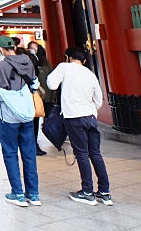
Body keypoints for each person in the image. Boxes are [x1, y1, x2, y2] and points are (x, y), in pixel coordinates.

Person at [47, 46, 110, 206]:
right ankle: (104, 192)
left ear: (67, 57)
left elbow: (51, 84)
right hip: (90, 116)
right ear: (83, 61)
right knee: (95, 154)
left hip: (74, 117)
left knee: (81, 154)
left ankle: (87, 192)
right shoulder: (90, 74)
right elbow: (98, 99)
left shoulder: (64, 67)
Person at [0, 35, 40, 207]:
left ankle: (18, 193)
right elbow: (34, 85)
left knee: (10, 152)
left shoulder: (0, 66)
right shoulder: (27, 61)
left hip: (8, 117)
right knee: (29, 153)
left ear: (1, 49)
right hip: (27, 114)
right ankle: (33, 194)